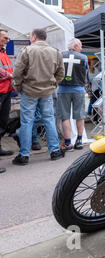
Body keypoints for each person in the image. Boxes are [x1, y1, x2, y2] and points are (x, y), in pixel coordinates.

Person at [12, 28, 65, 165]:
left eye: (30, 36)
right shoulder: (55, 52)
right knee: (49, 120)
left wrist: (18, 88)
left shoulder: (27, 51)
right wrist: (53, 85)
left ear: (34, 37)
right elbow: (61, 73)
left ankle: (24, 155)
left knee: (27, 122)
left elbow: (17, 73)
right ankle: (54, 151)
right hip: (47, 91)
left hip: (29, 91)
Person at [56, 38, 88, 151]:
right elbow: (85, 72)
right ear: (75, 46)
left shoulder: (60, 55)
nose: (81, 48)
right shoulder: (84, 57)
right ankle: (79, 141)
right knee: (79, 115)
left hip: (63, 89)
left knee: (65, 116)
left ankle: (68, 143)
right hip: (78, 89)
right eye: (80, 46)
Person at [0, 29, 14, 157]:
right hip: (1, 91)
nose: (7, 40)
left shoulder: (3, 53)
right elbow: (4, 72)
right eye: (5, 38)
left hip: (6, 91)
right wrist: (11, 75)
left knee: (3, 121)